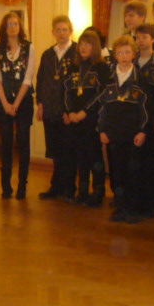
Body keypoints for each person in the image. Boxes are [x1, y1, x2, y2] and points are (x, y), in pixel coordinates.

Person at [98, 35, 150, 222]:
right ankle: (120, 207)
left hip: (133, 134)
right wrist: (102, 130)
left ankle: (133, 208)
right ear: (115, 56)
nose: (124, 56)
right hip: (114, 134)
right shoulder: (109, 79)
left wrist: (143, 130)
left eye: (127, 52)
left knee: (133, 172)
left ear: (134, 54)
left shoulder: (140, 79)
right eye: (120, 53)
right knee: (117, 171)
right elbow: (102, 107)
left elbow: (146, 108)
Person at [63, 30, 110, 206]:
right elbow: (66, 92)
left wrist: (85, 112)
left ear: (95, 46)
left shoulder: (101, 68)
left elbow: (102, 94)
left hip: (92, 118)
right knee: (80, 154)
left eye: (88, 44)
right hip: (74, 118)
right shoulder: (73, 67)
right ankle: (82, 190)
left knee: (94, 154)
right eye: (81, 43)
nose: (83, 47)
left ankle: (98, 190)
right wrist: (69, 112)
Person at [0, 12, 35, 199]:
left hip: (23, 103)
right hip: (3, 102)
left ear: (20, 26)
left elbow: (28, 78)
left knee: (23, 144)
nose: (12, 27)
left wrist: (15, 104)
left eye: (15, 24)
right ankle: (6, 185)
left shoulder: (29, 48)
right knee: (6, 144)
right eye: (9, 24)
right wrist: (5, 103)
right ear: (4, 28)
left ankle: (22, 186)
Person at [36, 15, 77, 199]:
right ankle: (56, 187)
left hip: (67, 112)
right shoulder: (47, 54)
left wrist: (70, 111)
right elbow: (41, 81)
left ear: (70, 31)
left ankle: (69, 188)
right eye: (58, 30)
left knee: (68, 151)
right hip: (50, 110)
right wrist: (40, 104)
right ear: (53, 32)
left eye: (65, 30)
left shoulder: (77, 53)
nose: (61, 33)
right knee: (55, 151)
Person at [134, 23, 154, 216]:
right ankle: (136, 199)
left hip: (153, 119)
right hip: (134, 119)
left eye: (145, 37)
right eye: (138, 37)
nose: (141, 41)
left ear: (153, 39)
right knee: (136, 161)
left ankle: (152, 201)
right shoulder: (131, 61)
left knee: (152, 162)